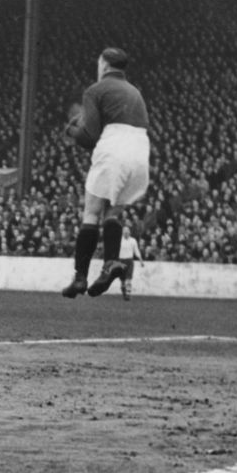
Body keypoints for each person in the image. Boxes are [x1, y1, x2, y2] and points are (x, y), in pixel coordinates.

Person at [62, 47, 150, 299]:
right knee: (113, 210)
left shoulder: (95, 90)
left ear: (104, 64)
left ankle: (80, 277)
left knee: (91, 211)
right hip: (140, 154)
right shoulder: (135, 92)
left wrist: (72, 132)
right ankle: (111, 262)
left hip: (113, 149)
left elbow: (90, 137)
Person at [117, 224, 145, 301]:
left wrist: (141, 260)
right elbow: (115, 251)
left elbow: (136, 251)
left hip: (129, 261)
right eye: (124, 231)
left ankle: (128, 294)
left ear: (129, 232)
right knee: (122, 280)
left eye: (127, 231)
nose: (126, 233)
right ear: (122, 232)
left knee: (128, 278)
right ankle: (124, 291)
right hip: (121, 261)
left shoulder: (133, 240)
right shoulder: (119, 240)